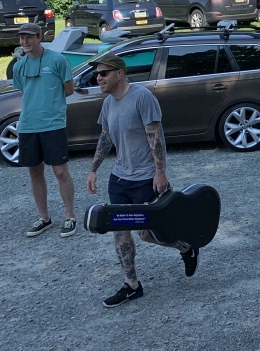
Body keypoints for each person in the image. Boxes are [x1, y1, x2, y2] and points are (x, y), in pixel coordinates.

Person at [85, 55, 199, 307]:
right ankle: (132, 285)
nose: (98, 78)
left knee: (148, 233)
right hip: (119, 178)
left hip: (145, 178)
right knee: (119, 231)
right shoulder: (108, 103)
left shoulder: (142, 98)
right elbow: (105, 137)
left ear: (120, 74)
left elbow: (154, 137)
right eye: (97, 74)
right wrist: (93, 169)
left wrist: (160, 172)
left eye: (103, 73)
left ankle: (186, 247)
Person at [12, 22, 77, 238]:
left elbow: (69, 89)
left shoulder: (57, 60)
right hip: (28, 125)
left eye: (29, 37)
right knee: (34, 171)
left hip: (53, 124)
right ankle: (44, 217)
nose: (25, 41)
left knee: (60, 171)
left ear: (39, 37)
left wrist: (50, 103)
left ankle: (69, 216)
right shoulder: (19, 65)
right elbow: (24, 91)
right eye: (22, 38)